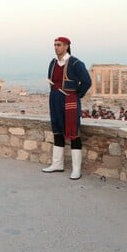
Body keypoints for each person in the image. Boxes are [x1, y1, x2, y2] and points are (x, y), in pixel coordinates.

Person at [42, 36, 92, 180]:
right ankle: (57, 164)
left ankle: (76, 169)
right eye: (55, 45)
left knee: (73, 132)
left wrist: (76, 95)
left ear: (66, 46)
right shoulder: (52, 63)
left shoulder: (76, 63)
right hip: (55, 99)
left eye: (59, 45)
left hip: (69, 100)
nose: (56, 47)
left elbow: (87, 81)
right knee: (57, 130)